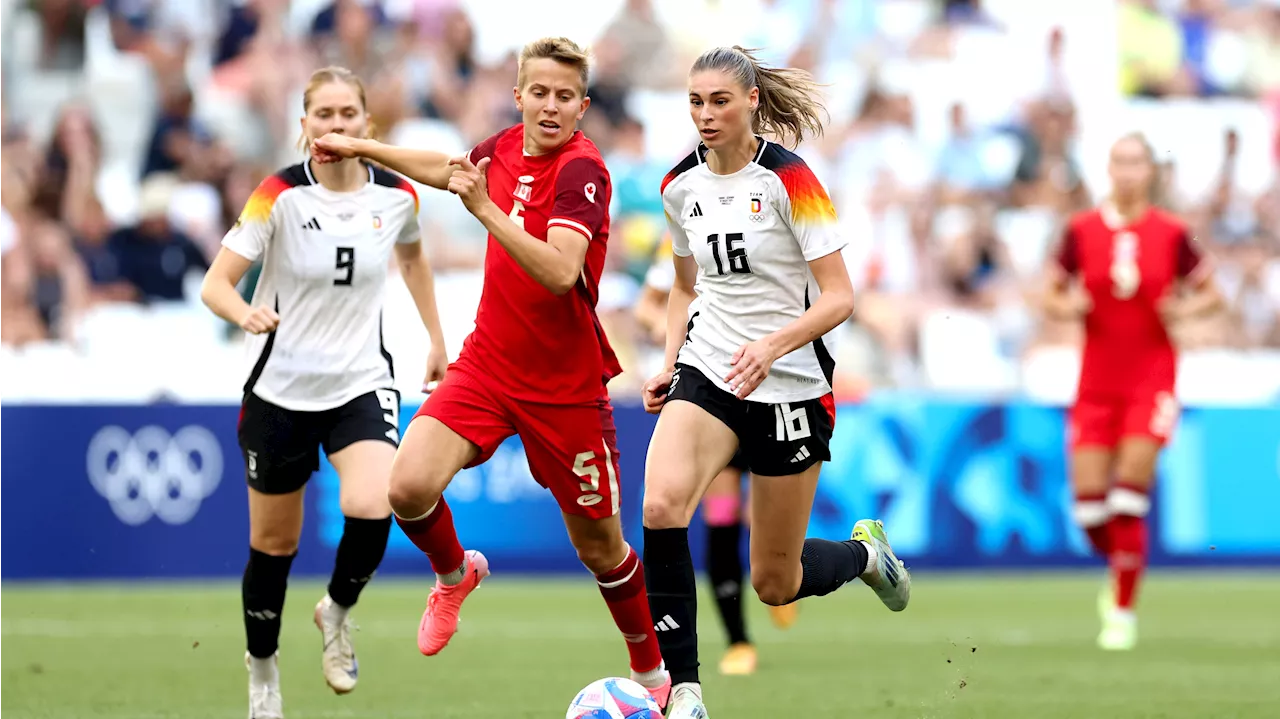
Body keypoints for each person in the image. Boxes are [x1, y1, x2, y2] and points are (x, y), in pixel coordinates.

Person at [310, 37, 672, 705]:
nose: (551, 105)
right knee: (407, 484)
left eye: (566, 96)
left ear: (583, 105)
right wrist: (364, 150)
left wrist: (485, 210)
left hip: (566, 388)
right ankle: (453, 574)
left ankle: (656, 679)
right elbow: (448, 169)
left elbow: (561, 270)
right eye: (540, 92)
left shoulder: (583, 172)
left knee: (602, 550)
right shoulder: (502, 148)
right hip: (489, 364)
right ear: (519, 96)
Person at [640, 45, 911, 718]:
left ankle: (864, 554)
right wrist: (671, 358)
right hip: (711, 367)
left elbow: (839, 297)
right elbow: (682, 287)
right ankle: (684, 691)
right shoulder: (679, 186)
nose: (705, 115)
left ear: (752, 100)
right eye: (696, 102)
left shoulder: (791, 180)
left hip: (789, 384)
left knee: (776, 581)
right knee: (660, 505)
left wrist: (773, 344)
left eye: (720, 101)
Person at [200, 66, 450, 719]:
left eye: (347, 114)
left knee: (374, 503)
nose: (335, 126)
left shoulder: (397, 195)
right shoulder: (277, 194)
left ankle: (336, 611)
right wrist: (244, 312)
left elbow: (414, 257)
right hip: (280, 389)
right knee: (274, 547)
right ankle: (263, 674)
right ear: (304, 123)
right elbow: (216, 284)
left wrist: (436, 337)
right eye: (324, 115)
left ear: (367, 124)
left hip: (360, 381)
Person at [1045, 132, 1223, 651]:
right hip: (1096, 382)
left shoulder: (1172, 233)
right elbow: (1050, 293)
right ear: (1108, 168)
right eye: (1119, 162)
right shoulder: (1080, 231)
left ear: (1150, 171)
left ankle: (1121, 611)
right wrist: (1065, 307)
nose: (1126, 172)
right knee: (1089, 512)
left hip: (1151, 378)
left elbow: (1212, 294)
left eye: (1135, 162)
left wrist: (1183, 310)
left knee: (1127, 499)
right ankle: (1119, 572)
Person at [635, 240, 801, 678]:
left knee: (764, 527)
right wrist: (666, 331)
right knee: (722, 514)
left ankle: (782, 580)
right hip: (711, 382)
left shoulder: (771, 225)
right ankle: (738, 640)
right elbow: (655, 302)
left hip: (772, 383)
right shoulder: (688, 235)